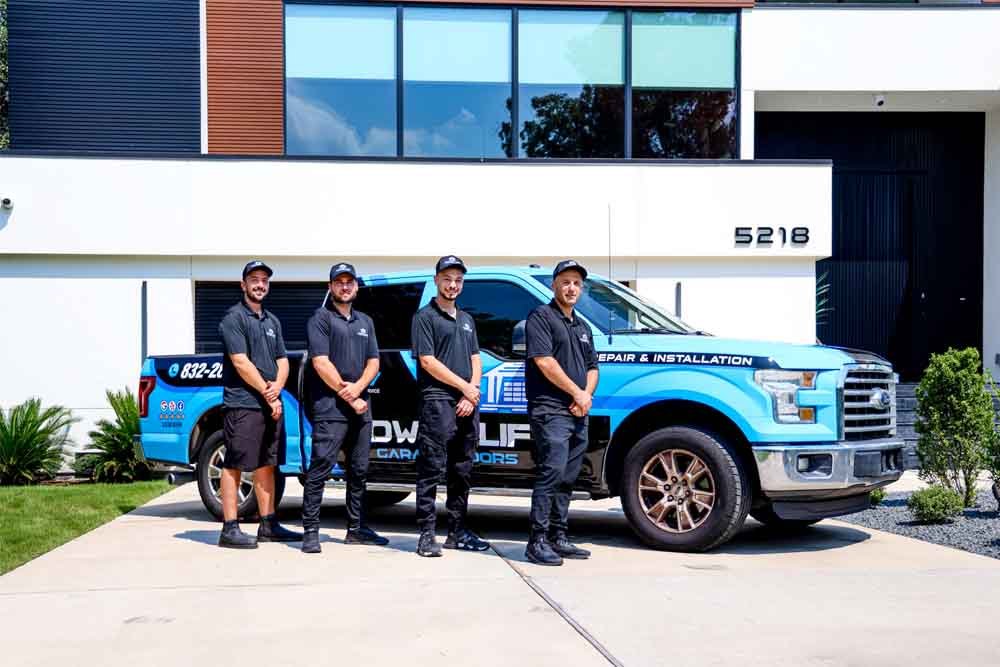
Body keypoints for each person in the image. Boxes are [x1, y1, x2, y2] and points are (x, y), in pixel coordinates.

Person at [301, 262, 389, 553]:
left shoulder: (365, 321)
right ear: (331, 287)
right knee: (321, 467)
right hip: (330, 408)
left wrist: (359, 388)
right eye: (339, 282)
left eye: (349, 282)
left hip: (360, 407)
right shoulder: (320, 318)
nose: (345, 287)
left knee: (359, 469)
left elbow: (374, 361)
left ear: (356, 287)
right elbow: (320, 362)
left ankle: (356, 528)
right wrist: (347, 393)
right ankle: (311, 531)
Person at [217, 260, 302, 549]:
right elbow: (241, 362)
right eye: (254, 279)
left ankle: (268, 524)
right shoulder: (233, 318)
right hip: (243, 404)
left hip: (268, 402)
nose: (260, 284)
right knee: (235, 463)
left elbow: (283, 361)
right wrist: (270, 394)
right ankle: (229, 528)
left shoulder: (272, 321)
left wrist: (277, 387)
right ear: (243, 285)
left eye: (264, 280)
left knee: (268, 463)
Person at [410, 256, 490, 557]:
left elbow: (476, 359)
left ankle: (457, 533)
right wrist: (464, 387)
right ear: (436, 280)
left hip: (466, 402)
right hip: (437, 402)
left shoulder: (467, 319)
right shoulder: (424, 317)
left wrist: (472, 393)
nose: (452, 284)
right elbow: (428, 362)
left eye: (457, 279)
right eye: (447, 278)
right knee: (431, 468)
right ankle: (426, 535)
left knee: (461, 470)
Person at [524, 260, 599, 565]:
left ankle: (558, 536)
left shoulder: (581, 326)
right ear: (554, 284)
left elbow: (593, 367)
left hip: (577, 411)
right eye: (565, 282)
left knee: (568, 477)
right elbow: (544, 362)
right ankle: (536, 540)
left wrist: (585, 396)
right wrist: (577, 393)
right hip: (551, 410)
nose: (571, 288)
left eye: (577, 283)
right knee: (551, 473)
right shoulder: (540, 317)